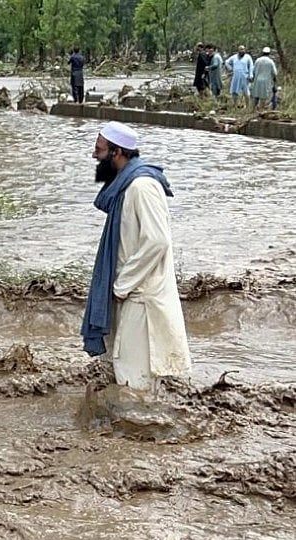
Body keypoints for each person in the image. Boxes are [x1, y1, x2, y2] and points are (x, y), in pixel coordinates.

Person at [81, 122, 191, 392]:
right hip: (132, 295)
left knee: (136, 378)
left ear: (117, 152)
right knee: (126, 370)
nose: (95, 156)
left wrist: (122, 285)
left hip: (142, 298)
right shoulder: (126, 185)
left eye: (99, 150)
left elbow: (157, 241)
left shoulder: (142, 186)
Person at [252, 47, 278, 112]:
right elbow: (274, 73)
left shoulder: (258, 60)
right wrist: (275, 80)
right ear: (269, 53)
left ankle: (253, 110)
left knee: (256, 95)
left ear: (262, 53)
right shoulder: (270, 62)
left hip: (257, 80)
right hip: (266, 81)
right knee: (263, 96)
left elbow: (253, 71)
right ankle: (261, 110)